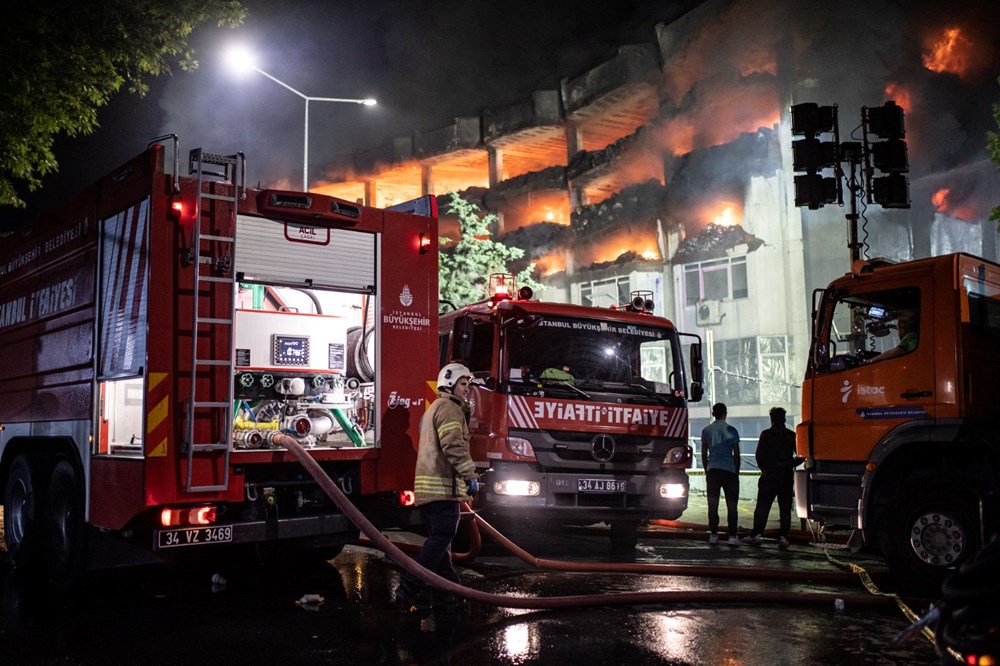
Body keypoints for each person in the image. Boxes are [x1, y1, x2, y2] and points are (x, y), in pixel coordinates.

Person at [395, 362, 480, 617]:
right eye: (463, 384)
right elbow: (453, 446)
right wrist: (470, 474)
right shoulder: (449, 409)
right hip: (442, 489)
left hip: (433, 490)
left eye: (468, 384)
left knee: (440, 545)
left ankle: (449, 592)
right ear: (450, 384)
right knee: (440, 540)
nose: (467, 389)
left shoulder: (436, 408)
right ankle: (409, 588)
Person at [744, 407, 804, 548]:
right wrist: (790, 464)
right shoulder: (791, 435)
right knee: (785, 508)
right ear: (784, 419)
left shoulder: (766, 435)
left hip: (769, 476)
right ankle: (783, 537)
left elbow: (759, 456)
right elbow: (801, 455)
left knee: (762, 507)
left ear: (772, 419)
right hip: (786, 477)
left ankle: (757, 534)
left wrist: (765, 469)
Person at [701, 402, 741, 546]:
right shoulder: (732, 430)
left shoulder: (706, 430)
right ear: (725, 413)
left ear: (713, 414)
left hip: (713, 470)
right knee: (732, 505)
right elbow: (736, 453)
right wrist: (736, 471)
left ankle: (713, 535)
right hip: (729, 470)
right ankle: (732, 537)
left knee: (713, 504)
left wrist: (707, 469)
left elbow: (704, 453)